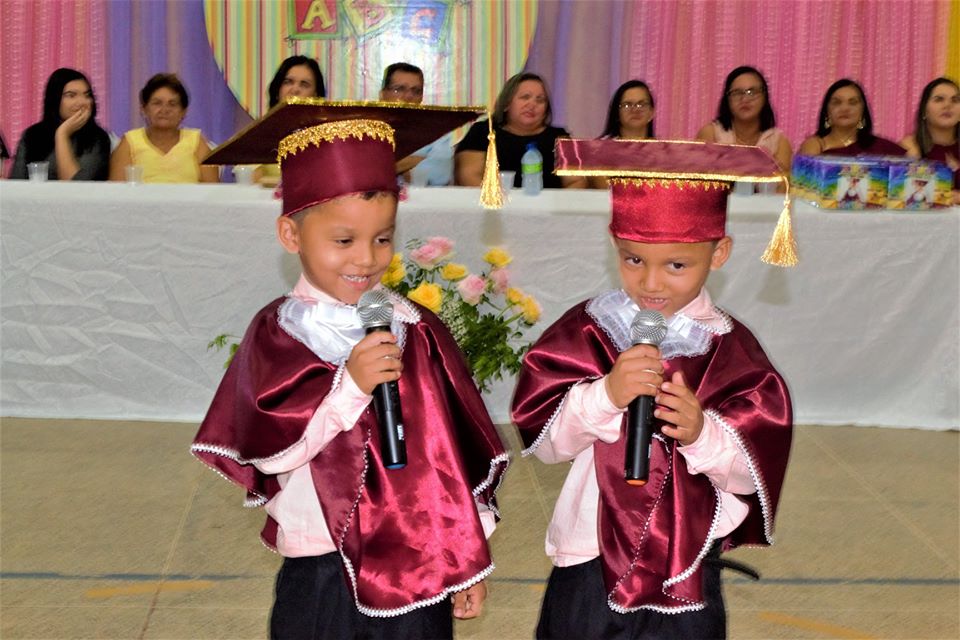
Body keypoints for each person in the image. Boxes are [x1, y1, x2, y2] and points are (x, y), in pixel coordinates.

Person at [191, 103, 508, 639]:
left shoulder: (415, 327)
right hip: (322, 568)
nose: (366, 258)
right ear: (291, 235)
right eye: (344, 241)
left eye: (382, 238)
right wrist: (350, 389)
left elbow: (451, 452)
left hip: (422, 564)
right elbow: (275, 451)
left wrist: (466, 556)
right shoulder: (280, 332)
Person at [512, 138, 794, 639]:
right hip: (590, 549)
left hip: (687, 554)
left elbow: (751, 473)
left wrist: (702, 432)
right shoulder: (588, 328)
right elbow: (547, 444)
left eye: (676, 265)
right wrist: (606, 395)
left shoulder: (731, 348)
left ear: (719, 252)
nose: (651, 283)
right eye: (633, 260)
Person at [454, 72, 586, 189]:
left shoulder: (559, 137)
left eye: (540, 100)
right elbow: (469, 177)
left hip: (548, 212)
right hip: (493, 209)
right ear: (506, 104)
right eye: (525, 97)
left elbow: (576, 182)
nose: (532, 105)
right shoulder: (483, 132)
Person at [109, 73, 219, 183]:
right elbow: (117, 193)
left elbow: (213, 193)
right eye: (157, 103)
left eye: (172, 104)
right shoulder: (130, 142)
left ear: (183, 112)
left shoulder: (196, 142)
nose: (164, 110)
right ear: (144, 109)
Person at [9, 67, 110, 180]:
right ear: (55, 100)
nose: (83, 102)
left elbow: (76, 188)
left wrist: (62, 134)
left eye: (87, 95)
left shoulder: (98, 138)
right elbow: (16, 184)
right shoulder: (32, 135)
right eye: (71, 95)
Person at [696, 66, 792, 172]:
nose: (745, 99)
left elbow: (782, 186)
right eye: (737, 93)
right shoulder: (710, 134)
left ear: (765, 98)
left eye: (752, 92)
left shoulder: (779, 142)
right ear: (727, 100)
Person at [255, 56, 328, 186]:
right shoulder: (259, 133)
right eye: (288, 82)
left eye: (304, 84)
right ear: (278, 90)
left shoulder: (327, 138)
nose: (295, 90)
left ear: (316, 95)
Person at [379, 62, 454, 186]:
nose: (408, 96)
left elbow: (441, 175)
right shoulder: (364, 128)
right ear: (383, 94)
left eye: (416, 91)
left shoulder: (436, 131)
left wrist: (385, 166)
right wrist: (415, 162)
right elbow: (358, 171)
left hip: (423, 202)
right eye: (399, 89)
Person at [798, 79, 905, 157]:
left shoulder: (882, 148)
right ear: (826, 112)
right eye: (837, 102)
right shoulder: (815, 145)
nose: (844, 108)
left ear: (863, 112)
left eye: (853, 103)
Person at [591, 80, 657, 189]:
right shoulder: (600, 152)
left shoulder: (662, 153)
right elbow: (605, 192)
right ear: (617, 113)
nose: (635, 109)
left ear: (651, 112)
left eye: (642, 104)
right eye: (627, 105)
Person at [900, 77, 959, 193]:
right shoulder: (910, 146)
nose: (947, 105)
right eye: (939, 99)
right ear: (924, 111)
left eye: (955, 100)